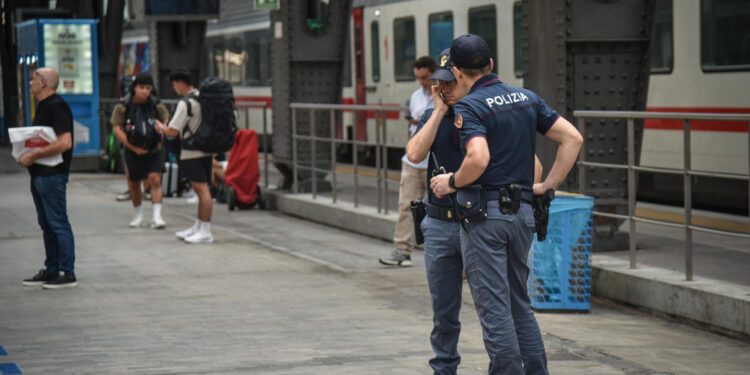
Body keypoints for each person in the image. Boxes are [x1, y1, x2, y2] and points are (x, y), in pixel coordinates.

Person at [431, 34, 583, 375]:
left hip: (485, 219)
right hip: (523, 214)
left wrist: (451, 181)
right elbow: (572, 138)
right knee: (519, 305)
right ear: (491, 65)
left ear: (456, 72)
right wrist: (546, 186)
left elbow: (478, 158)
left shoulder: (471, 106)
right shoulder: (527, 98)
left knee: (495, 309)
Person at [409, 49, 545, 375]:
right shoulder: (436, 116)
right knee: (445, 311)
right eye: (439, 85)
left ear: (462, 77)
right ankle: (444, 368)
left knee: (498, 306)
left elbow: (534, 167)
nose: (444, 89)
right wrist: (438, 112)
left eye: (449, 83)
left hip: (480, 220)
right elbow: (414, 153)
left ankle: (505, 367)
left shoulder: (484, 114)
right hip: (443, 223)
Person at [19, 67, 78, 289]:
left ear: (44, 83)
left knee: (58, 222)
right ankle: (52, 269)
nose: (30, 83)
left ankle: (67, 272)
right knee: (46, 223)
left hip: (53, 175)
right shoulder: (43, 106)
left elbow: (65, 142)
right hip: (40, 174)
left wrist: (34, 154)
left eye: (33, 79)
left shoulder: (57, 106)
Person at [379, 56, 436, 267]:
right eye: (419, 78)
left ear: (434, 74)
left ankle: (447, 254)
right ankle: (402, 251)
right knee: (405, 205)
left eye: (426, 77)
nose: (423, 82)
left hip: (434, 163)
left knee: (441, 210)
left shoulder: (444, 95)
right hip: (413, 162)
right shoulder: (415, 97)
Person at [156, 69, 214, 244]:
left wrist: (160, 127)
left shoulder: (186, 103)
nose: (175, 89)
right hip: (206, 149)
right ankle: (199, 226)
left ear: (180, 83)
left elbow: (173, 130)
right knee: (202, 190)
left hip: (191, 151)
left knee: (202, 190)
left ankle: (205, 231)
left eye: (174, 85)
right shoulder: (203, 97)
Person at [111, 73, 170, 229]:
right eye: (141, 88)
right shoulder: (123, 105)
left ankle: (157, 216)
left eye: (148, 88)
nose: (144, 91)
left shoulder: (156, 104)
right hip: (133, 150)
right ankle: (138, 215)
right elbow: (117, 129)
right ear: (134, 88)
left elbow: (165, 119)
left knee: (155, 179)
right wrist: (133, 148)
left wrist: (162, 127)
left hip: (154, 148)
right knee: (134, 183)